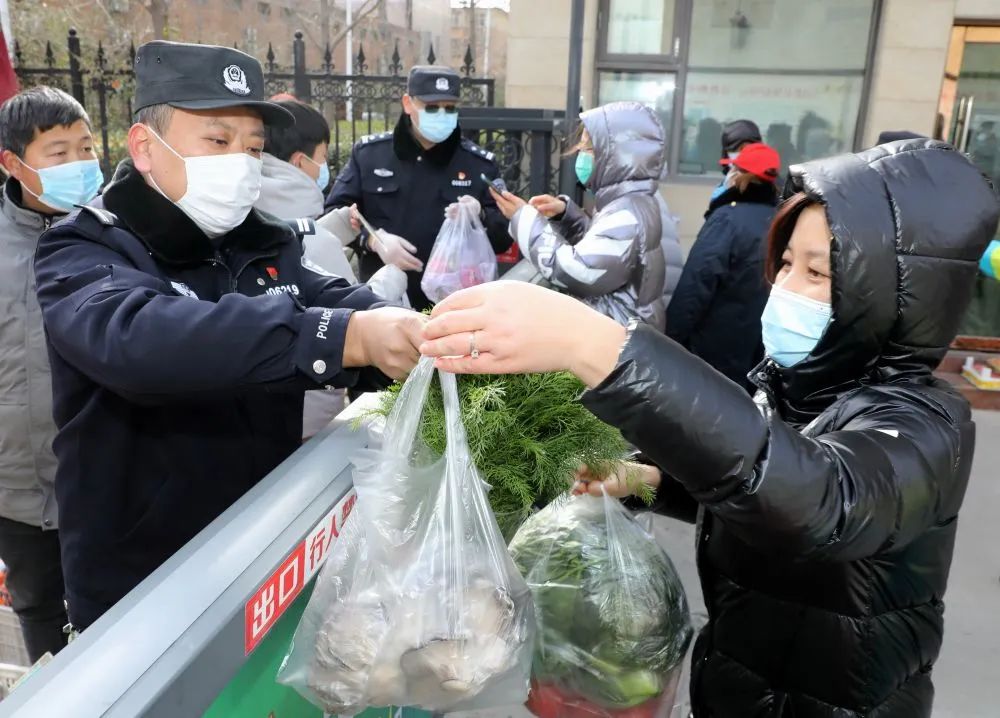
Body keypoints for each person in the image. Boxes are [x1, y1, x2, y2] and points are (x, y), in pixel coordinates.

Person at [420, 139, 1000, 717]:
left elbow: (819, 502)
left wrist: (599, 349)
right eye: (788, 263)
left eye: (818, 272)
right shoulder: (792, 387)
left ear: (895, 298)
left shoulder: (926, 425)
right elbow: (754, 498)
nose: (787, 288)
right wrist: (646, 478)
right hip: (739, 684)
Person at [34, 41, 425, 632]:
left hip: (257, 553)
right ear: (145, 147)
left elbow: (343, 303)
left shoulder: (267, 244)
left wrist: (414, 332)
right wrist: (339, 338)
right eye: (218, 142)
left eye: (254, 148)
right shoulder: (86, 246)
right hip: (140, 583)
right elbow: (137, 340)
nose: (239, 163)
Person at [0, 86, 101, 662]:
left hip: (104, 472)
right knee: (39, 609)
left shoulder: (117, 229)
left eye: (86, 148)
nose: (80, 165)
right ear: (14, 164)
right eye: (58, 153)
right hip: (18, 486)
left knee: (117, 608)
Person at [325, 65, 512, 310]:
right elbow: (334, 214)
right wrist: (373, 240)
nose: (442, 115)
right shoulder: (371, 156)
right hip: (382, 302)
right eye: (432, 107)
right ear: (408, 103)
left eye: (450, 108)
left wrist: (481, 215)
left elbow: (504, 237)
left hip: (454, 306)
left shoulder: (478, 164)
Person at [489, 101, 669, 330]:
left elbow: (576, 270)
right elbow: (609, 252)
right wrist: (567, 216)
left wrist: (523, 218)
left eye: (588, 148)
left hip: (618, 345)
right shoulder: (631, 202)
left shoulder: (627, 213)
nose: (580, 156)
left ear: (615, 155)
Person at [666, 142, 780, 391]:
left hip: (715, 352)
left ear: (740, 177)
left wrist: (669, 341)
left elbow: (695, 285)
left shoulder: (727, 220)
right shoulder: (783, 221)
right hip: (759, 354)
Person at [255, 98, 356, 283]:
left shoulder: (244, 206)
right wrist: (391, 278)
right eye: (323, 156)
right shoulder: (321, 244)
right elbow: (357, 306)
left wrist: (337, 225)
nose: (324, 166)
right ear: (299, 161)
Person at [709, 118, 762, 201]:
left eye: (747, 149)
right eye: (735, 149)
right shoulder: (723, 187)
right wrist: (727, 190)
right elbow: (715, 210)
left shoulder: (771, 185)